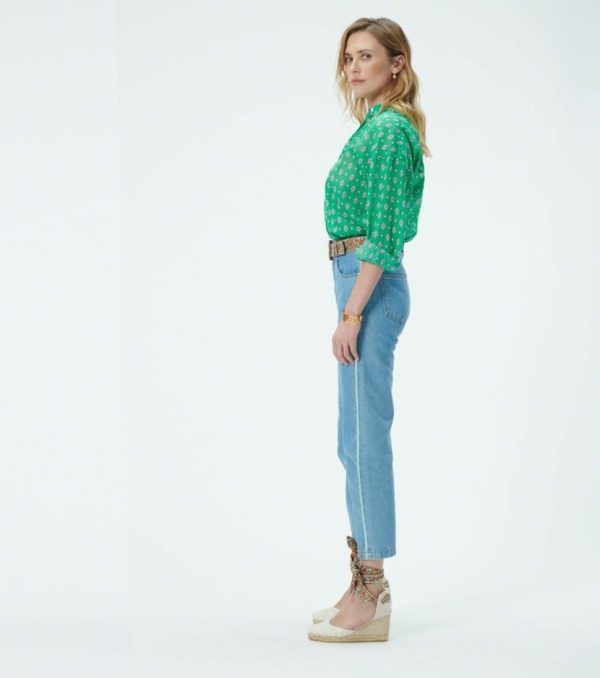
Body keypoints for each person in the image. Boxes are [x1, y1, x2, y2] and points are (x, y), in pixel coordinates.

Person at [307, 17, 430, 643]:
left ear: (396, 63)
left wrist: (352, 313)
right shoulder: (376, 126)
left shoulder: (386, 132)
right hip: (358, 281)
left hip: (369, 287)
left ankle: (372, 588)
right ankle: (361, 579)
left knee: (364, 438)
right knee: (352, 436)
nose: (354, 68)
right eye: (349, 58)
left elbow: (381, 237)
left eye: (367, 56)